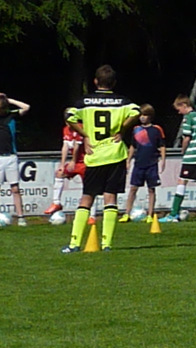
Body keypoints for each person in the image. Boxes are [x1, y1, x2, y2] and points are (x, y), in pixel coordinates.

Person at [61, 65, 140, 253]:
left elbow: (69, 116)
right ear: (114, 82)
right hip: (115, 154)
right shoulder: (122, 101)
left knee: (87, 197)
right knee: (110, 197)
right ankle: (106, 244)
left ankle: (74, 243)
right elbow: (137, 112)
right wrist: (122, 129)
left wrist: (85, 135)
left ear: (95, 81)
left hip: (95, 156)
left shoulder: (84, 102)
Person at [160, 95, 196, 222]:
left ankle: (173, 214)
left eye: (179, 109)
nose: (179, 112)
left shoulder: (188, 118)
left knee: (182, 181)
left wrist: (183, 150)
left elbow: (187, 137)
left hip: (193, 155)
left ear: (184, 105)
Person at [0, 93, 30, 227]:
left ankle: (21, 217)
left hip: (10, 156)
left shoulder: (12, 115)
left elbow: (26, 107)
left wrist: (9, 100)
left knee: (15, 188)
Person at [120, 104, 166, 222]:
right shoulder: (136, 129)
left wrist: (163, 160)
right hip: (139, 163)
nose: (142, 117)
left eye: (145, 115)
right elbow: (132, 146)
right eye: (141, 115)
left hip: (152, 163)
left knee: (151, 189)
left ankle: (150, 214)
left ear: (150, 116)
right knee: (133, 188)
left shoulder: (156, 129)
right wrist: (128, 160)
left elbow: (162, 146)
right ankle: (126, 213)